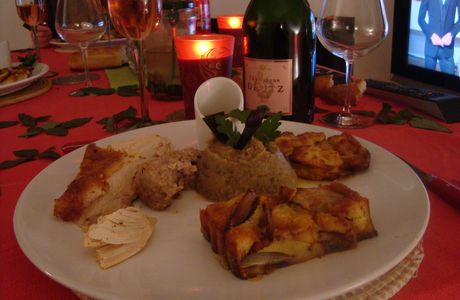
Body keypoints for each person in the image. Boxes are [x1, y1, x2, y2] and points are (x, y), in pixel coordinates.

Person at [418, 0, 460, 74]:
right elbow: (420, 19)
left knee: (449, 84)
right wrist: (431, 34)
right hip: (430, 47)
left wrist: (452, 34)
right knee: (427, 82)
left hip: (447, 50)